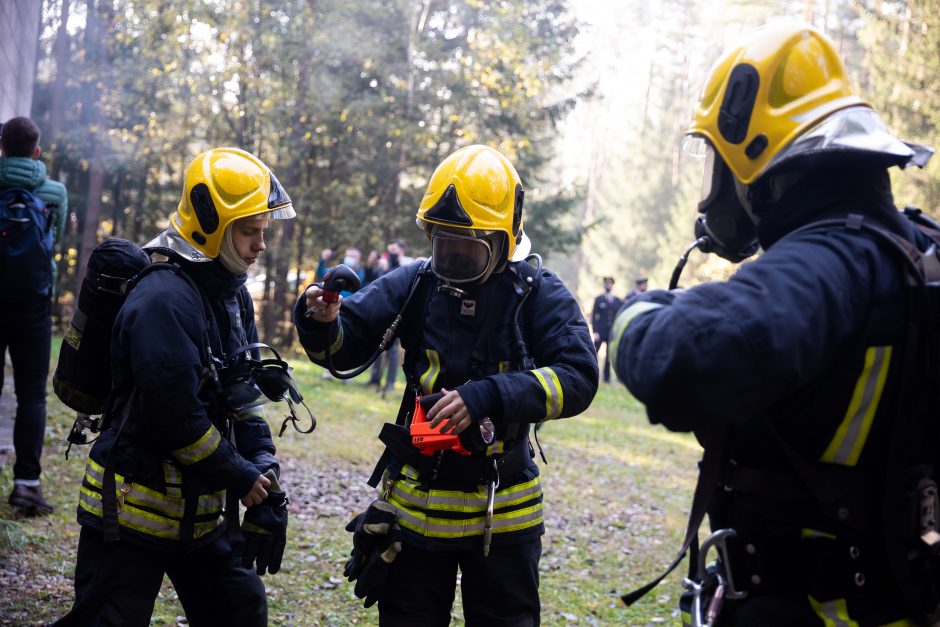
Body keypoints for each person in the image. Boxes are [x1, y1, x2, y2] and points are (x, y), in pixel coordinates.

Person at [610, 22, 935, 625]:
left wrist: (634, 315)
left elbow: (686, 358)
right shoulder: (913, 250)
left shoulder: (828, 263)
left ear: (760, 161)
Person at [295, 144, 598, 625]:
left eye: (467, 245)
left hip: (502, 515)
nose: (452, 256)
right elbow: (343, 348)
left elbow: (579, 377)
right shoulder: (416, 282)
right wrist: (320, 321)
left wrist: (489, 396)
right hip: (416, 511)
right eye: (443, 241)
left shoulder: (537, 293)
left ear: (502, 239)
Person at [56, 147, 294, 626]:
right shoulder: (163, 300)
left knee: (239, 612)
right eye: (249, 231)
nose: (260, 245)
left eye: (263, 232)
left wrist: (266, 472)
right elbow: (177, 419)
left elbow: (243, 398)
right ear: (212, 226)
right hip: (129, 513)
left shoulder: (232, 294)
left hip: (200, 516)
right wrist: (243, 478)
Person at [0, 116, 68, 515]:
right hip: (33, 304)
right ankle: (26, 485)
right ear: (37, 151)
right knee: (31, 395)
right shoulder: (54, 191)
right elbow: (53, 241)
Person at [366, 239, 411, 396]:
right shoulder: (383, 267)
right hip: (382, 313)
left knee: (392, 351)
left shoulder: (406, 268)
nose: (390, 254)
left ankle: (390, 382)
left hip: (399, 314)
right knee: (378, 346)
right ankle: (375, 377)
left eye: (394, 251)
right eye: (389, 251)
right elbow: (375, 284)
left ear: (401, 252)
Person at [590, 276, 622, 384]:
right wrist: (595, 331)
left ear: (612, 285)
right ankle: (591, 374)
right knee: (593, 354)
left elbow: (619, 317)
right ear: (604, 285)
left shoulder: (617, 301)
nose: (608, 285)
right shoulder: (599, 299)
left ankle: (607, 378)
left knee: (608, 356)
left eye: (610, 284)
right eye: (606, 283)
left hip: (611, 333)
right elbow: (594, 316)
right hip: (600, 332)